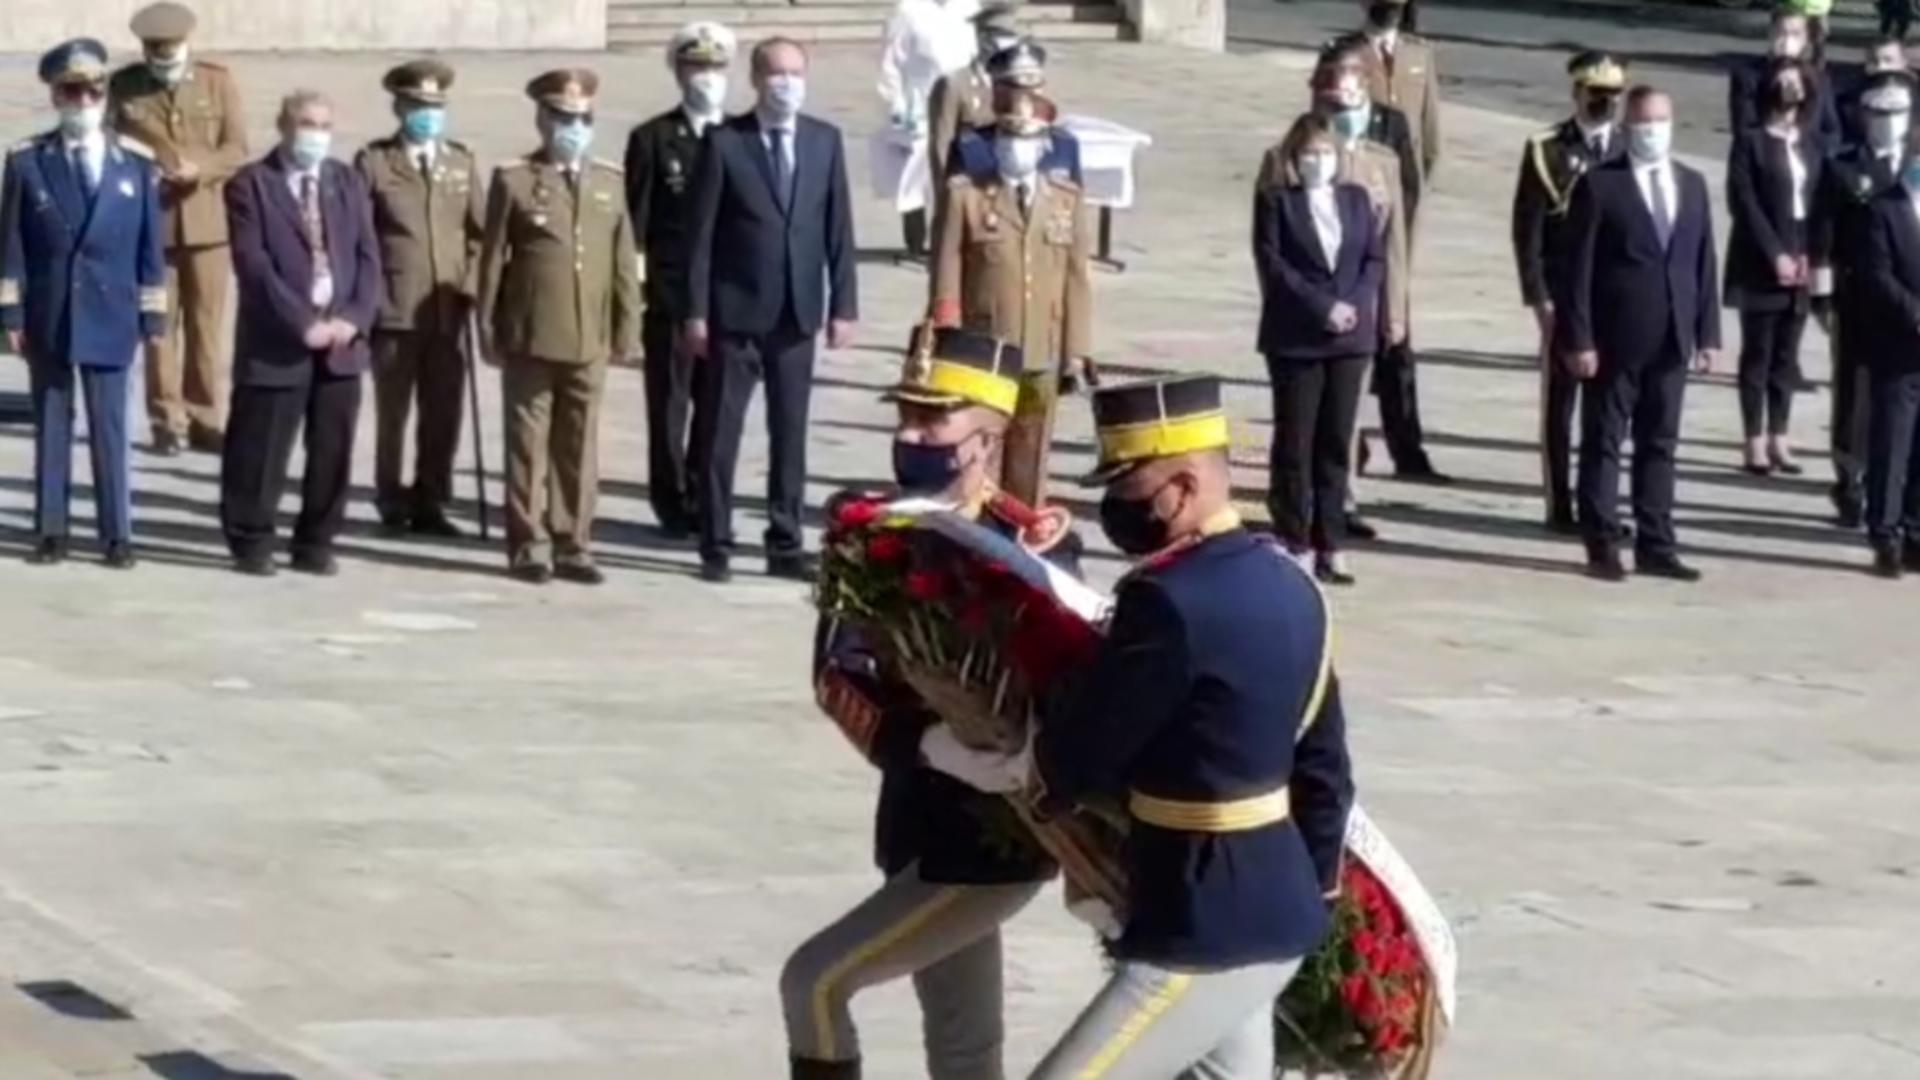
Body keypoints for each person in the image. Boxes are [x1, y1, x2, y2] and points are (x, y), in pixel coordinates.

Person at [931, 374, 1354, 1079]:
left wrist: (1009, 755)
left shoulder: (1166, 600)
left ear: (1182, 489)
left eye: (1131, 490)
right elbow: (1325, 767)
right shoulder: (1295, 586)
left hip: (1201, 920)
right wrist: (1311, 892)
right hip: (1279, 908)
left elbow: (1087, 750)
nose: (1119, 510)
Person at [787, 326, 1076, 1080]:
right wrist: (926, 745)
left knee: (815, 983)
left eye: (933, 419)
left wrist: (1018, 755)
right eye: (905, 415)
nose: (911, 435)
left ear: (990, 436)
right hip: (918, 820)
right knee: (963, 1042)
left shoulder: (1034, 549)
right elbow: (837, 672)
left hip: (993, 844)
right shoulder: (875, 533)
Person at [685, 37, 860, 584]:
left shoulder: (823, 141)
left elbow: (839, 229)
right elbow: (700, 239)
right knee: (721, 433)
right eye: (777, 74)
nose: (788, 83)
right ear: (757, 80)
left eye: (797, 73)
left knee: (790, 433)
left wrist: (844, 305)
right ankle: (715, 541)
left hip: (797, 313)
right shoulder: (725, 144)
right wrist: (695, 312)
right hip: (734, 313)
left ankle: (784, 540)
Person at [0, 38, 165, 570]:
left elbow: (149, 249)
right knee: (51, 423)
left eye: (93, 91)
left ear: (105, 95)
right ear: (55, 98)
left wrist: (153, 312)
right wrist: (9, 313)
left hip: (112, 311)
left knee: (110, 427)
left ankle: (117, 533)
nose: (83, 102)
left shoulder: (135, 165)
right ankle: (51, 530)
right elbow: (11, 248)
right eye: (71, 92)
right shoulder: (27, 162)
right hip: (50, 312)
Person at [478, 69, 642, 586]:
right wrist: (487, 325)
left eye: (582, 119)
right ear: (543, 120)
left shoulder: (609, 183)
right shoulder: (515, 179)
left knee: (579, 444)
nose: (572, 127)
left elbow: (622, 262)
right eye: (562, 118)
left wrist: (626, 328)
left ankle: (574, 540)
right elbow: (492, 261)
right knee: (527, 445)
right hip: (530, 333)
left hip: (588, 335)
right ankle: (529, 542)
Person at [219, 90, 382, 578]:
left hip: (341, 340)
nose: (316, 135)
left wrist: (353, 319)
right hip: (279, 341)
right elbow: (254, 264)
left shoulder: (346, 181)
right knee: (262, 447)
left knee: (332, 447)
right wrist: (302, 323)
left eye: (324, 125)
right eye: (306, 124)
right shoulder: (252, 184)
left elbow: (369, 257)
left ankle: (316, 542)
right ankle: (252, 541)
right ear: (284, 126)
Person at [1565, 87, 1722, 583]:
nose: (1653, 130)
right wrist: (1580, 338)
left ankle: (1657, 540)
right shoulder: (1600, 185)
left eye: (1661, 120)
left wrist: (1709, 333)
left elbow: (1703, 262)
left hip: (1673, 336)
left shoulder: (1691, 184)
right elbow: (1578, 271)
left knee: (1660, 442)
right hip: (1615, 337)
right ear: (1628, 126)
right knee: (1605, 439)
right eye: (1644, 122)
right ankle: (1603, 539)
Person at [929, 86, 1092, 505]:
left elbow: (1076, 278)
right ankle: (982, 526)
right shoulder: (966, 196)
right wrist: (947, 333)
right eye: (1006, 138)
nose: (1013, 148)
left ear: (1042, 146)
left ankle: (1024, 523)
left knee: (1032, 449)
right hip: (986, 348)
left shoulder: (1065, 200)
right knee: (983, 445)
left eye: (1024, 140)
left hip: (1042, 346)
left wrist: (1077, 351)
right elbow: (947, 268)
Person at [109, 1, 248, 457]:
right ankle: (167, 420)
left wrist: (200, 168)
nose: (162, 56)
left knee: (207, 327)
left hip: (208, 223)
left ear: (186, 45)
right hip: (152, 222)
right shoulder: (126, 86)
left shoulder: (216, 80)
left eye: (169, 49)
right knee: (159, 326)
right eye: (154, 49)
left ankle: (206, 417)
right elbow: (113, 147)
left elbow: (235, 149)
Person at [356, 59, 484, 539]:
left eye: (435, 106)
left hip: (447, 311)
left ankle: (432, 498)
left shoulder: (461, 162)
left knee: (443, 413)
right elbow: (359, 236)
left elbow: (479, 236)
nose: (427, 115)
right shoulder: (374, 162)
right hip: (393, 308)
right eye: (417, 106)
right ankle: (390, 496)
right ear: (399, 107)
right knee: (393, 413)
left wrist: (470, 284)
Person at [1255, 113, 1384, 586]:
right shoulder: (1277, 202)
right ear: (1294, 157)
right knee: (1296, 442)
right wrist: (1322, 307)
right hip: (1298, 337)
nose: (1318, 162)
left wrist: (1352, 304)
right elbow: (1274, 264)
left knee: (1335, 441)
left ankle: (1331, 540)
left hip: (1350, 338)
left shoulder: (1355, 200)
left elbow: (1373, 257)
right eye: (1310, 154)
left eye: (1326, 154)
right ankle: (1295, 537)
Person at [625, 22, 737, 539]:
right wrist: (641, 292)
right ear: (678, 71)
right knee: (669, 402)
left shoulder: (740, 136)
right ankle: (670, 500)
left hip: (726, 294)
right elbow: (638, 224)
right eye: (696, 67)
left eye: (714, 68)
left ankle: (703, 490)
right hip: (670, 293)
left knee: (715, 403)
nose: (705, 77)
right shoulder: (652, 139)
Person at [1512, 50, 1628, 535]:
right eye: (1595, 95)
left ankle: (1599, 503)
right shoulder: (1547, 150)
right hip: (1563, 294)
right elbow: (1528, 230)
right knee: (1560, 406)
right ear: (1576, 93)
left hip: (1616, 294)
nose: (1604, 104)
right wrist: (1538, 297)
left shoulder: (1627, 148)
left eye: (1612, 97)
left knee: (1610, 409)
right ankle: (1559, 504)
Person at [1726, 57, 1827, 477]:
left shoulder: (1809, 143)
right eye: (1783, 81)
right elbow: (1743, 202)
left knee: (1787, 355)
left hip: (1802, 252)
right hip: (1759, 259)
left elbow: (1819, 202)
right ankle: (1753, 440)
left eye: (1797, 82)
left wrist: (1812, 254)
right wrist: (1775, 254)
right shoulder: (1750, 141)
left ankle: (1780, 436)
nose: (1791, 89)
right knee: (1758, 353)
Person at [1819, 70, 1912, 528]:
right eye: (1880, 111)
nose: (1889, 121)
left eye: (1898, 112)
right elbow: (1824, 230)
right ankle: (1850, 477)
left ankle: (1896, 492)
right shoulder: (1843, 165)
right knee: (1854, 395)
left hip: (1908, 303)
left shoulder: (1914, 167)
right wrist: (1821, 294)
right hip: (1858, 297)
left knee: (1899, 406)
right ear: (1863, 114)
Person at [1859, 126, 1920, 577]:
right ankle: (1885, 533)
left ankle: (1916, 530)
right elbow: (1876, 276)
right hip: (1899, 343)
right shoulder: (1883, 209)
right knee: (1892, 442)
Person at [879, 0, 981, 255]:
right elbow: (891, 62)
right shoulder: (909, 10)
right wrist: (896, 102)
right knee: (917, 173)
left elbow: (976, 54)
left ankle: (956, 239)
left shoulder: (967, 6)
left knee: (962, 168)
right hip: (921, 101)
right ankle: (916, 241)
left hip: (963, 98)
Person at [927, 4, 1020, 188]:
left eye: (1011, 38)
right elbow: (942, 143)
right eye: (1000, 37)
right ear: (983, 39)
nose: (1007, 46)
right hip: (968, 186)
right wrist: (944, 194)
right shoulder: (955, 84)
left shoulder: (1017, 83)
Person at [1357, 0, 1441, 198]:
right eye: (1383, 6)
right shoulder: (1343, 52)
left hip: (1407, 172)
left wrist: (1423, 175)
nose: (1390, 14)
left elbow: (1430, 121)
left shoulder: (1419, 53)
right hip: (1361, 170)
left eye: (1395, 7)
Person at [1729, 11, 1841, 154]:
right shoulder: (1748, 77)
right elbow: (1744, 132)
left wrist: (1801, 139)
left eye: (1795, 34)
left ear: (1805, 40)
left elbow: (1832, 134)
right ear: (1770, 34)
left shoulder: (1819, 79)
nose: (1786, 41)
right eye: (1780, 33)